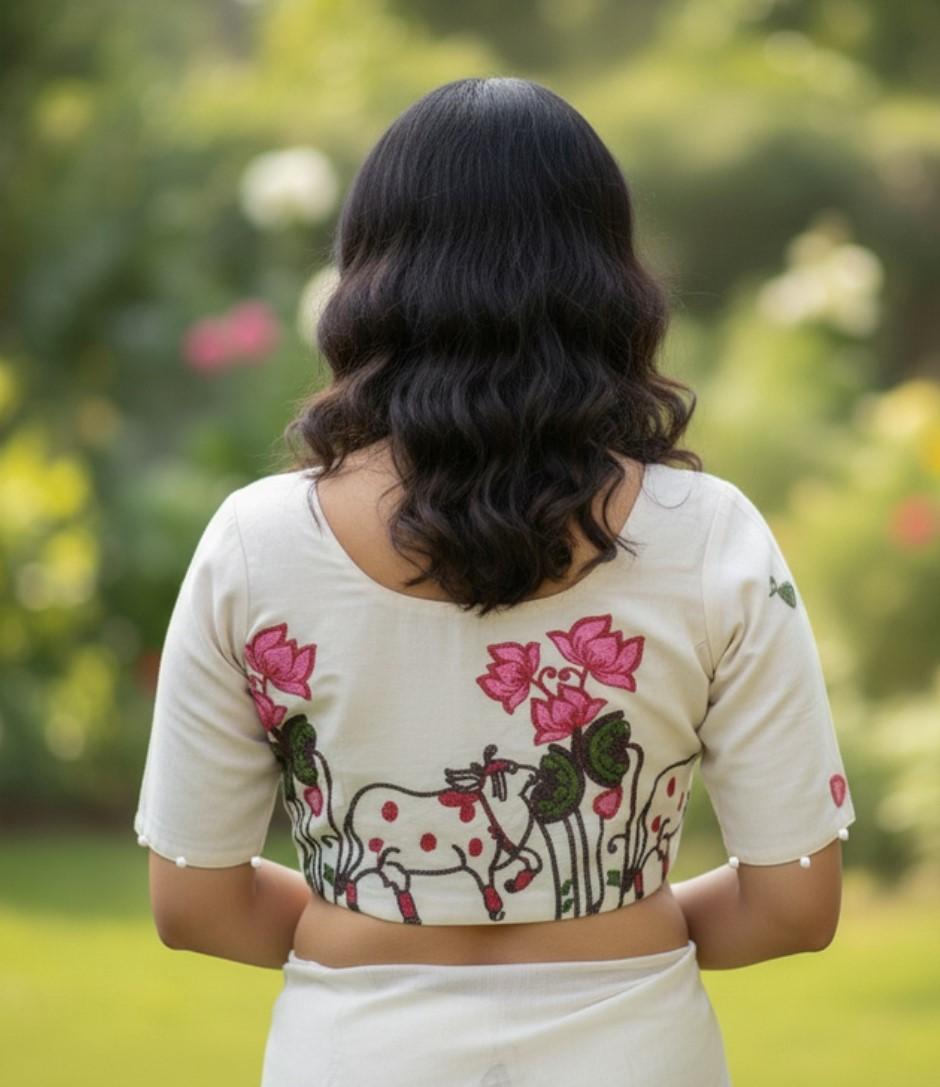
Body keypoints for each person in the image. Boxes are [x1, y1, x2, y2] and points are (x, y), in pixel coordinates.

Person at [133, 76, 857, 1086]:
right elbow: (794, 904)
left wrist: (381, 920)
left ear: (368, 275)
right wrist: (612, 921)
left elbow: (194, 901)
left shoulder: (255, 544)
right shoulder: (711, 537)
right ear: (610, 280)